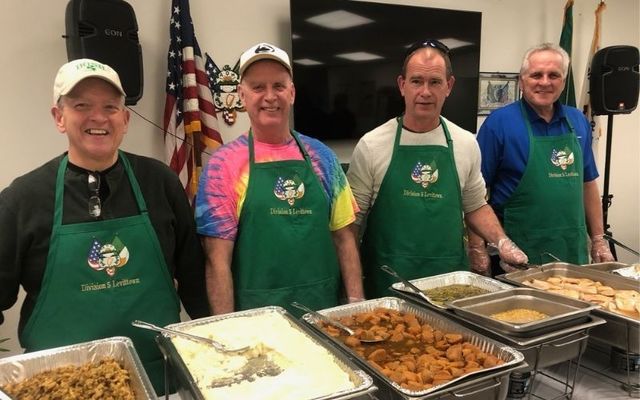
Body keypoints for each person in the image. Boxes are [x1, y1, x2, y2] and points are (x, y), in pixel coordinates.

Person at [0, 59, 211, 394]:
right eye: (82, 105)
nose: (98, 117)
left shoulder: (160, 183)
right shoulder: (22, 199)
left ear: (125, 119)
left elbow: (194, 281)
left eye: (110, 107)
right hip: (58, 384)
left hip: (160, 377)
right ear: (59, 117)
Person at [346, 39, 528, 298]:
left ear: (449, 86)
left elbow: (475, 205)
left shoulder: (465, 143)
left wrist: (502, 241)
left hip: (449, 283)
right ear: (402, 85)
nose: (425, 92)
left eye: (435, 82)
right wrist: (353, 290)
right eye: (417, 81)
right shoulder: (372, 145)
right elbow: (353, 221)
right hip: (388, 282)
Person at [195, 43, 365, 315]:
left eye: (279, 86)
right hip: (258, 317)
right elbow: (217, 262)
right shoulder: (222, 165)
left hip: (324, 311)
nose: (270, 96)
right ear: (241, 94)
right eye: (258, 87)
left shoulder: (323, 157)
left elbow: (344, 238)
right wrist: (225, 327)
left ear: (293, 93)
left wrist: (357, 308)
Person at [469, 43, 614, 275]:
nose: (545, 82)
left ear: (563, 81)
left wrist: (598, 238)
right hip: (516, 254)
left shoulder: (577, 121)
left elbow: (588, 184)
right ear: (522, 79)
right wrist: (477, 247)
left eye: (554, 75)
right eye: (536, 74)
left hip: (571, 250)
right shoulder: (499, 124)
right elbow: (473, 194)